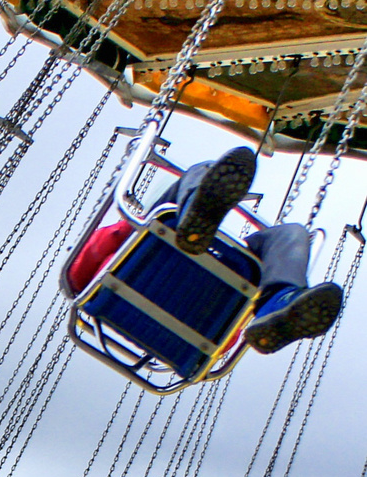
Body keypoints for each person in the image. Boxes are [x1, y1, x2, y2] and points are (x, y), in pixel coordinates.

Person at [67, 147, 343, 354]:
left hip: (136, 275)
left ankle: (194, 214)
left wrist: (131, 227)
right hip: (202, 324)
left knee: (201, 173)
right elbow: (230, 337)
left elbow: (100, 250)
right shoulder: (222, 319)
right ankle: (275, 301)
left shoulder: (89, 276)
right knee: (291, 234)